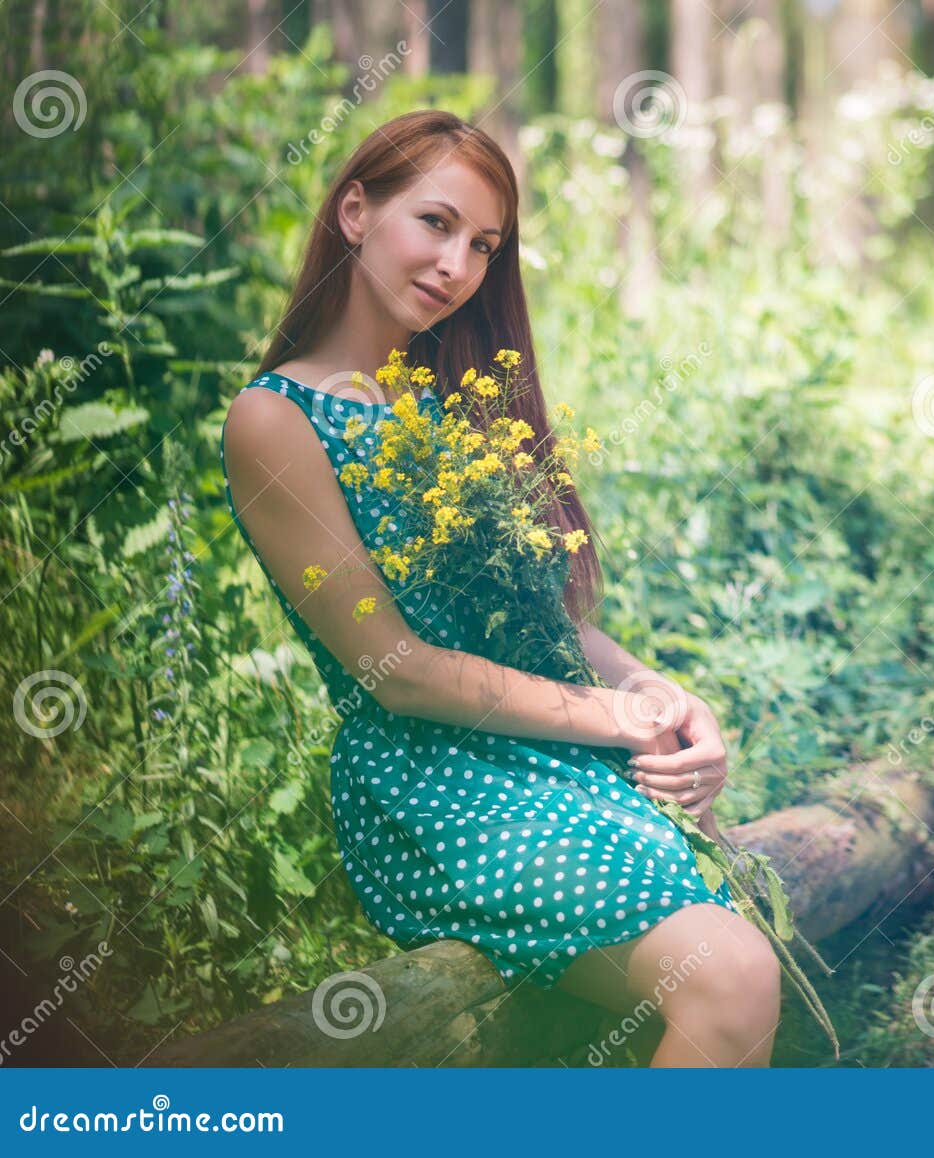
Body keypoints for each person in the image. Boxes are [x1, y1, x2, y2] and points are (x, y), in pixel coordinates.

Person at [219, 109, 779, 1067]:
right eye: (435, 224)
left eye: (483, 245)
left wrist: (667, 702)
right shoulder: (275, 420)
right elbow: (395, 671)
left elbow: (547, 623)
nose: (457, 266)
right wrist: (614, 718)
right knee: (730, 973)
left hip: (550, 754)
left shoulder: (460, 403)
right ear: (355, 211)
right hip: (432, 781)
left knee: (740, 936)